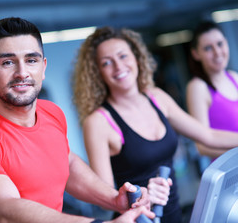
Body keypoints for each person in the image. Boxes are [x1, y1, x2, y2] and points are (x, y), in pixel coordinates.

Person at [0, 17, 154, 223]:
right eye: (8, 62)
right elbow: (2, 211)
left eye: (31, 60)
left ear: (43, 67)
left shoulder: (51, 113)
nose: (22, 72)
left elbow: (67, 163)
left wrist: (114, 199)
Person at [71, 26, 238, 223]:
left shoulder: (157, 98)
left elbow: (208, 136)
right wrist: (140, 196)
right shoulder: (98, 122)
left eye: (123, 56)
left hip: (174, 215)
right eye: (107, 62)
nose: (118, 66)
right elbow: (103, 197)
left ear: (136, 57)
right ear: (97, 72)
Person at [186, 20, 238, 159]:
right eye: (208, 48)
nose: (217, 52)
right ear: (196, 54)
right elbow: (202, 147)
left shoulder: (235, 77)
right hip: (230, 175)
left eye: (220, 44)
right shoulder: (198, 87)